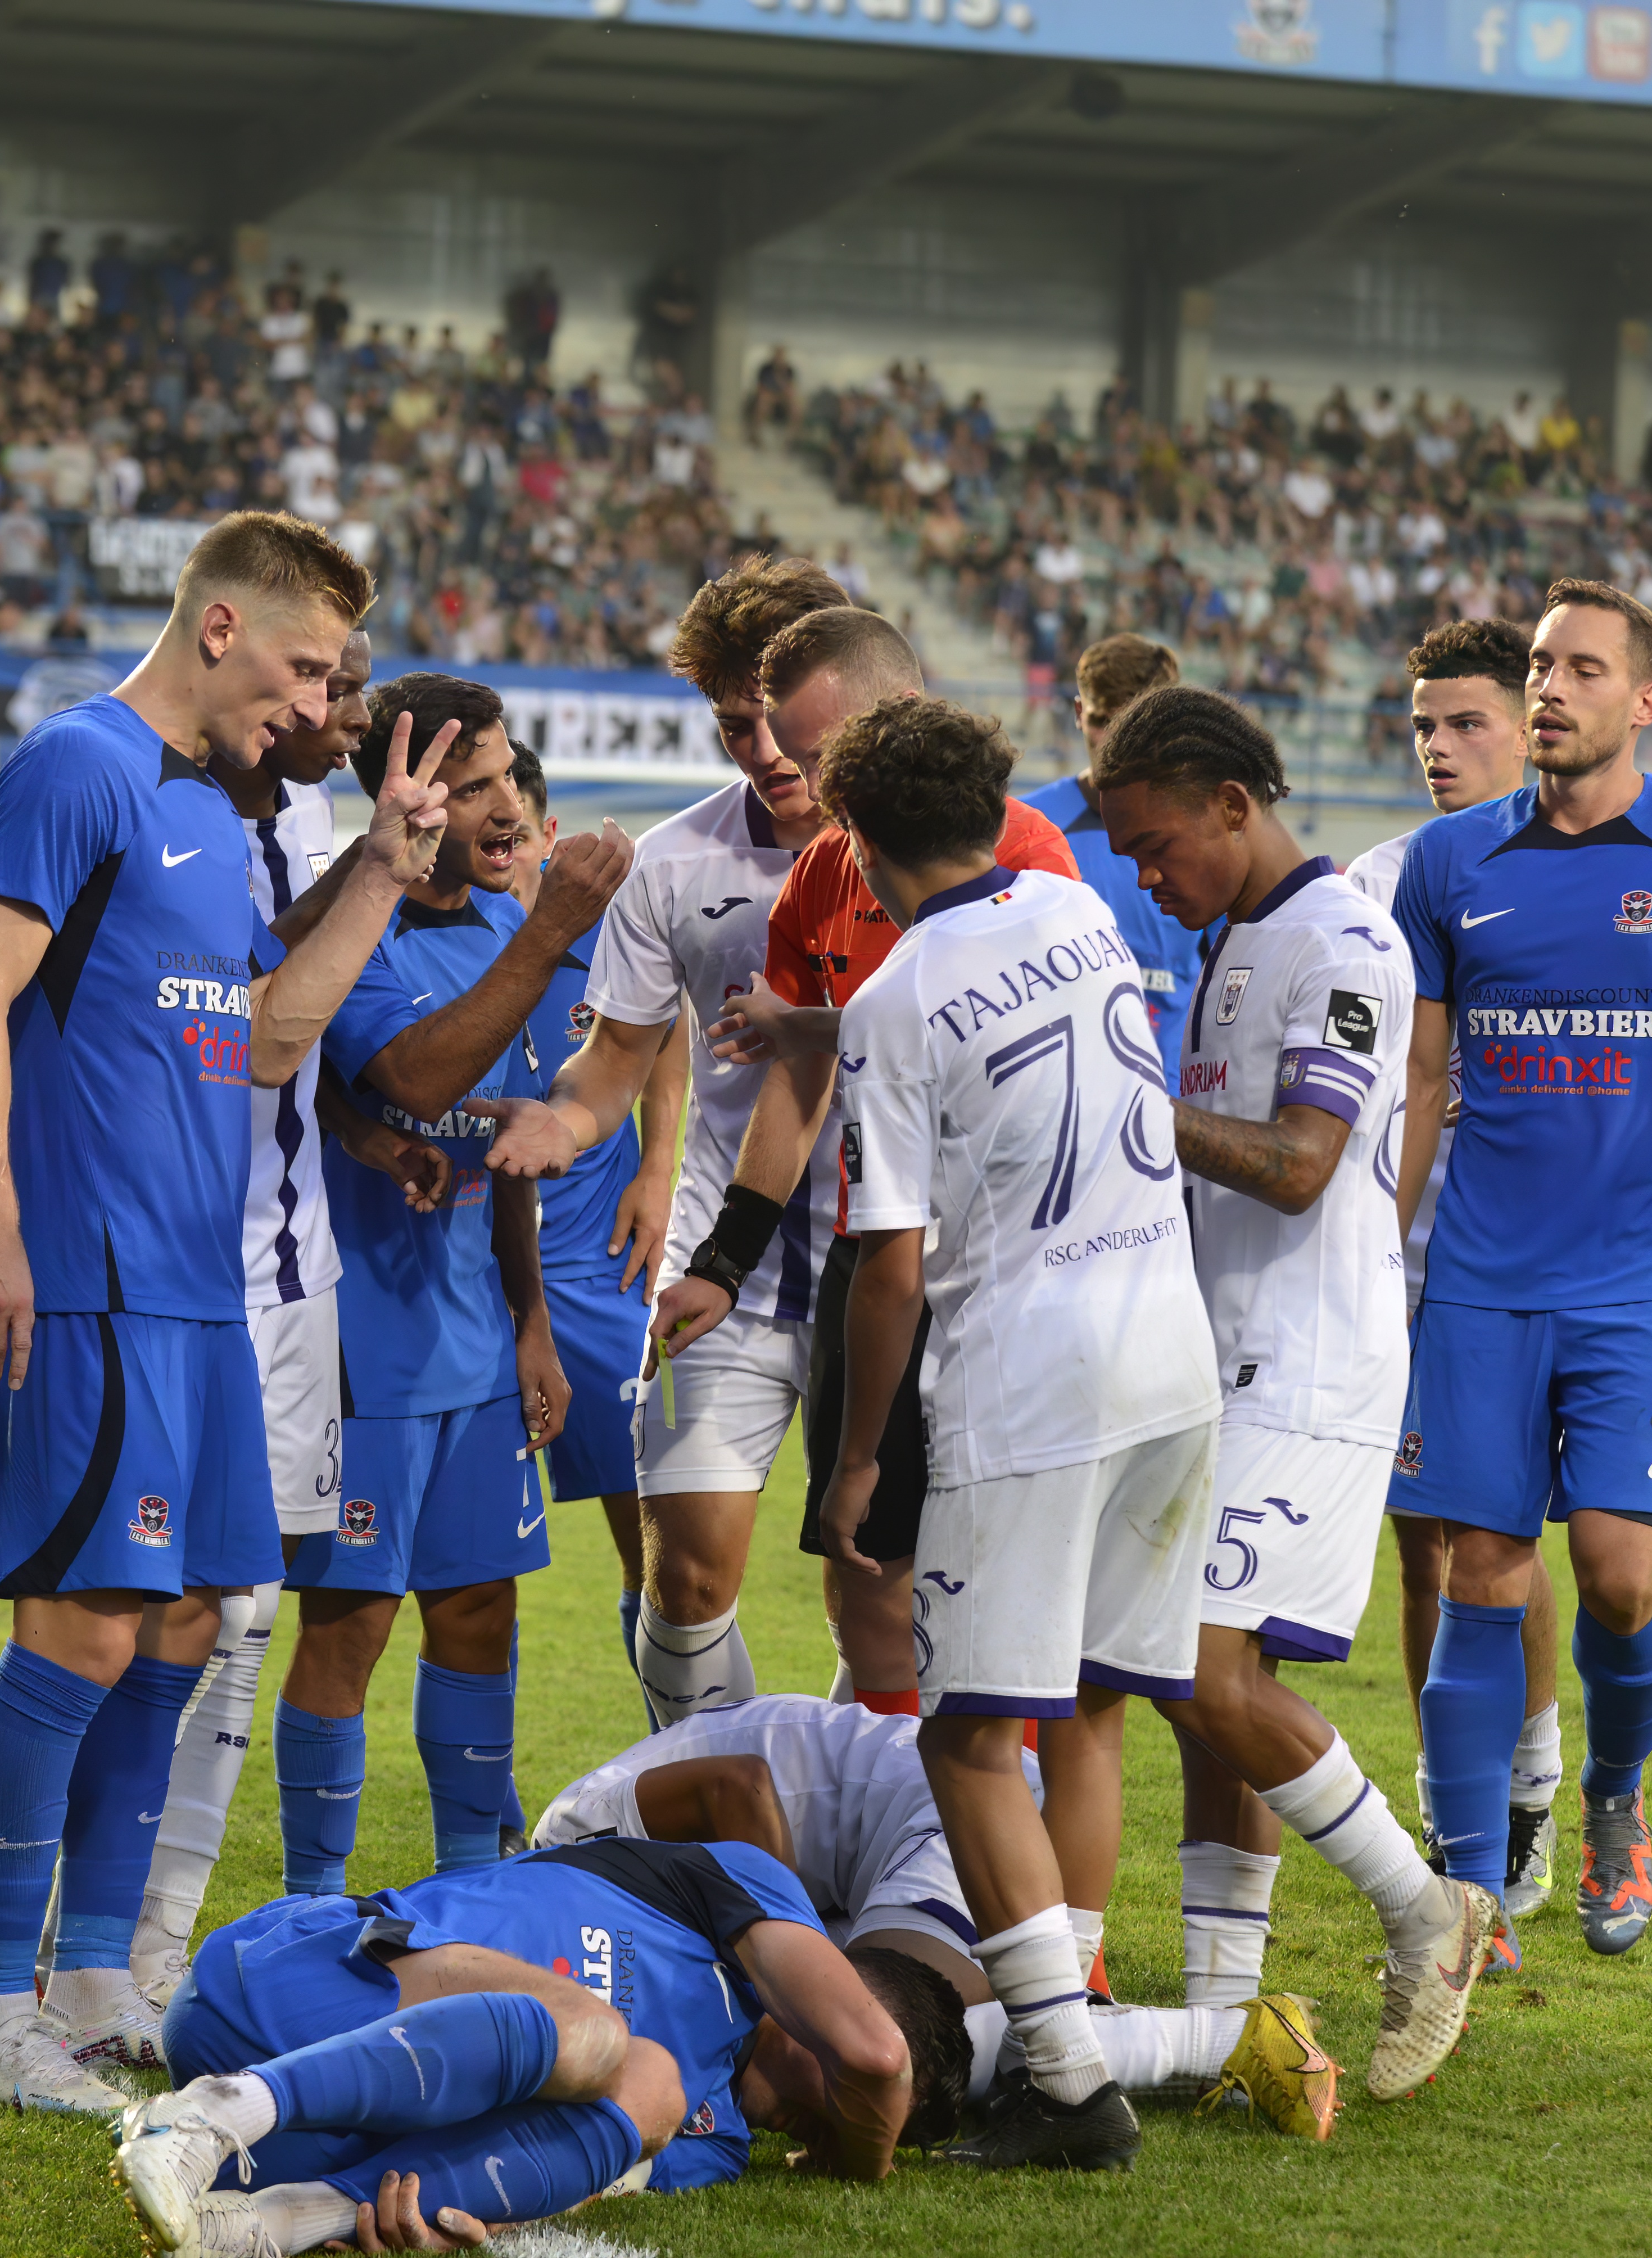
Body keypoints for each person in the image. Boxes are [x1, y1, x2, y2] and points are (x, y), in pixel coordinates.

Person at [0, 510, 425, 2111]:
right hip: (91, 1283)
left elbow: (272, 1038)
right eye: (304, 667)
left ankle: (89, 1982)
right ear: (221, 629)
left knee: (190, 1623)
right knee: (82, 1630)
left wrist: (383, 873)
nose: (314, 705)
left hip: (202, 1300)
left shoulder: (222, 819)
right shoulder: (84, 767)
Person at [815, 695, 1224, 2171]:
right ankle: (1072, 2020)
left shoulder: (894, 1001)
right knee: (1091, 1704)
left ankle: (1062, 2080)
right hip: (1171, 1362)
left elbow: (892, 1263)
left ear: (858, 845)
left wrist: (862, 1457)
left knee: (973, 1740)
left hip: (1029, 1383)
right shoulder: (1073, 907)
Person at [1387, 579, 1652, 1962]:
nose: (1547, 687)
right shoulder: (1449, 865)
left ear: (1643, 698)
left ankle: (1616, 1799)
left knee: (1620, 1574)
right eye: (1536, 663)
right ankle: (1462, 1890)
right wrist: (1375, 1246)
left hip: (1640, 1276)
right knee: (1481, 1567)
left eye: (1580, 667)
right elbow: (1418, 1074)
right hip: (1481, 1276)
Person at [1090, 687, 1501, 2101]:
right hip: (1223, 1351)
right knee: (1210, 1679)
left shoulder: (1336, 939)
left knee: (1207, 1668)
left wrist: (1126, 1111)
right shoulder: (1239, 941)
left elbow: (1301, 1162)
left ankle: (1425, 1906)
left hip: (1308, 1359)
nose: (1148, 875)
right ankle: (1227, 2019)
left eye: (1156, 844)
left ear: (1228, 801)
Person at [602, 611, 1080, 1724]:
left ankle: (992, 1877)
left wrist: (809, 1027)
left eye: (820, 750)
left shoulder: (1028, 859)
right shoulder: (822, 869)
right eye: (784, 746)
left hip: (986, 1277)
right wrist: (720, 1255)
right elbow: (802, 1078)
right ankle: (820, 1825)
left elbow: (955, 1042)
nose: (798, 773)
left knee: (985, 1605)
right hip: (863, 1259)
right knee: (855, 1564)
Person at [482, 556, 854, 1730]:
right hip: (724, 1270)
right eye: (737, 725)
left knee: (883, 1588)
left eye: (784, 722)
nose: (765, 753)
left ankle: (883, 1836)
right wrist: (572, 1115)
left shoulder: (951, 849)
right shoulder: (673, 864)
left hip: (904, 1261)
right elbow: (618, 1059)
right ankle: (722, 1838)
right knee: (684, 1580)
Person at [275, 673, 631, 1904]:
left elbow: (513, 1139)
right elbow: (420, 1079)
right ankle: (314, 1901)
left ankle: (472, 1884)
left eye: (503, 779)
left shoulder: (496, 927)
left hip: (477, 1342)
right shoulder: (351, 930)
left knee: (478, 1609)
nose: (499, 809)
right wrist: (544, 933)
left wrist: (532, 1321)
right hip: (360, 1340)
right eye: (467, 786)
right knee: (350, 1626)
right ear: (404, 798)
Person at [534, 1692, 1340, 2138]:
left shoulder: (568, 1837)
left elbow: (737, 1789)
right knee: (864, 2060)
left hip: (954, 1819)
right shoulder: (569, 1906)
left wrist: (796, 2004)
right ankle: (1113, 2023)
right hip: (875, 1867)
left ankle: (1231, 2035)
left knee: (879, 2048)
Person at [127, 625, 375, 2008]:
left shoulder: (319, 814)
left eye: (340, 686)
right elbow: (263, 1025)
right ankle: (82, 1934)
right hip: (165, 1268)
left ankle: (149, 1945)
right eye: (320, 684)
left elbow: (307, 1052)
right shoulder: (160, 805)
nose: (335, 710)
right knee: (126, 1609)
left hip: (292, 1277)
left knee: (246, 1606)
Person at [117, 1836, 933, 2254]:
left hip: (321, 2148)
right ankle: (210, 2115)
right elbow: (878, 2059)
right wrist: (863, 2159)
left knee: (650, 2078)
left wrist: (450, 2221)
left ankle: (279, 2223)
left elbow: (546, 2185)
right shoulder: (742, 1891)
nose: (818, 2130)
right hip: (292, 1977)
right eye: (846, 2114)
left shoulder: (713, 2142)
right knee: (600, 2034)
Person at [1339, 621, 1563, 1946]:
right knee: (1420, 1541)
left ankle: (1529, 1774)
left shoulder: (1589, 870)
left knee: (1505, 1538)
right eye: (1422, 725)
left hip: (1531, 1260)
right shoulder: (1379, 879)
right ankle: (1452, 1807)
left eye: (1463, 722)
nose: (1437, 747)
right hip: (1402, 1254)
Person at [502, 743, 694, 1696]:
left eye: (520, 822)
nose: (504, 840)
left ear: (548, 832)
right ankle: (480, 1812)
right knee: (470, 1571)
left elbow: (659, 1028)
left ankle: (673, 1759)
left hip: (599, 1270)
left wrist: (658, 1167)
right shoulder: (432, 938)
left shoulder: (606, 932)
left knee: (656, 1548)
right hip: (472, 1283)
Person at [1020, 632, 1206, 1036]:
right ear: (1078, 712)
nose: (1120, 742)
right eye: (1104, 721)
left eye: (1137, 724)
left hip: (1172, 1091)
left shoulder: (1208, 830)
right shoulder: (1026, 826)